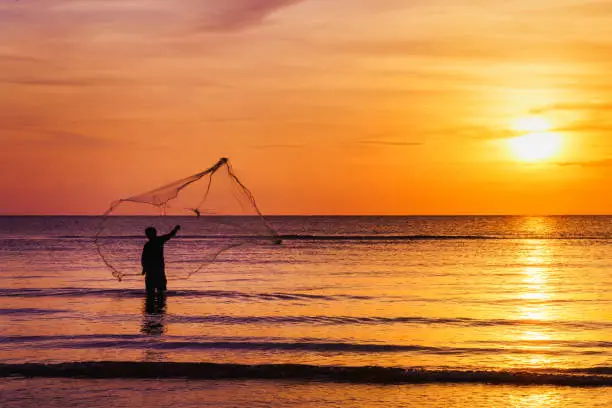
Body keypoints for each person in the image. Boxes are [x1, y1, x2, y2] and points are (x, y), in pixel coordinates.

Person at [141, 225, 180, 293]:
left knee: (151, 290)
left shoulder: (149, 244)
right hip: (157, 269)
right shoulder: (159, 240)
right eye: (147, 234)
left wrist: (144, 268)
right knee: (160, 290)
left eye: (148, 234)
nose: (147, 235)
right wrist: (176, 229)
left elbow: (144, 258)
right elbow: (170, 235)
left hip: (153, 269)